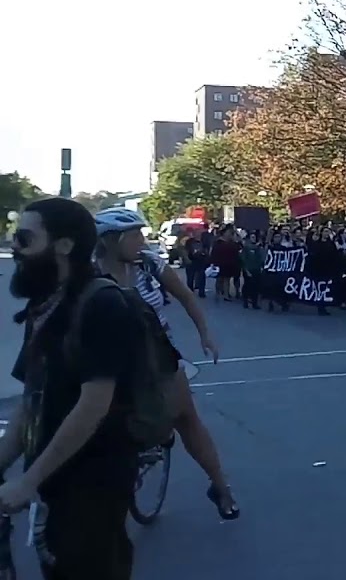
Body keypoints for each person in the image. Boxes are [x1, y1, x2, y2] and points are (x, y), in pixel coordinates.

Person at [0, 199, 142, 579]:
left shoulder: (102, 304)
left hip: (94, 482)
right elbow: (31, 401)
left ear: (63, 245)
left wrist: (29, 481)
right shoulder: (46, 303)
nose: (16, 247)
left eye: (26, 238)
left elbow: (93, 405)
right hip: (55, 481)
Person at [91, 208, 240, 521]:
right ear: (110, 240)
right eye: (134, 236)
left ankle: (220, 486)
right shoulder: (88, 273)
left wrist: (205, 335)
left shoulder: (149, 263)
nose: (142, 241)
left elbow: (186, 297)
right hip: (110, 357)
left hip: (157, 353)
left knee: (187, 418)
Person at [239, 232, 265, 310]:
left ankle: (255, 303)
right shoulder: (246, 248)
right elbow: (243, 260)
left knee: (256, 287)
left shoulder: (258, 248)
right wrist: (246, 270)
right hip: (248, 270)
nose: (253, 239)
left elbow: (261, 259)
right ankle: (245, 301)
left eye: (254, 237)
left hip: (256, 270)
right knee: (247, 285)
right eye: (252, 237)